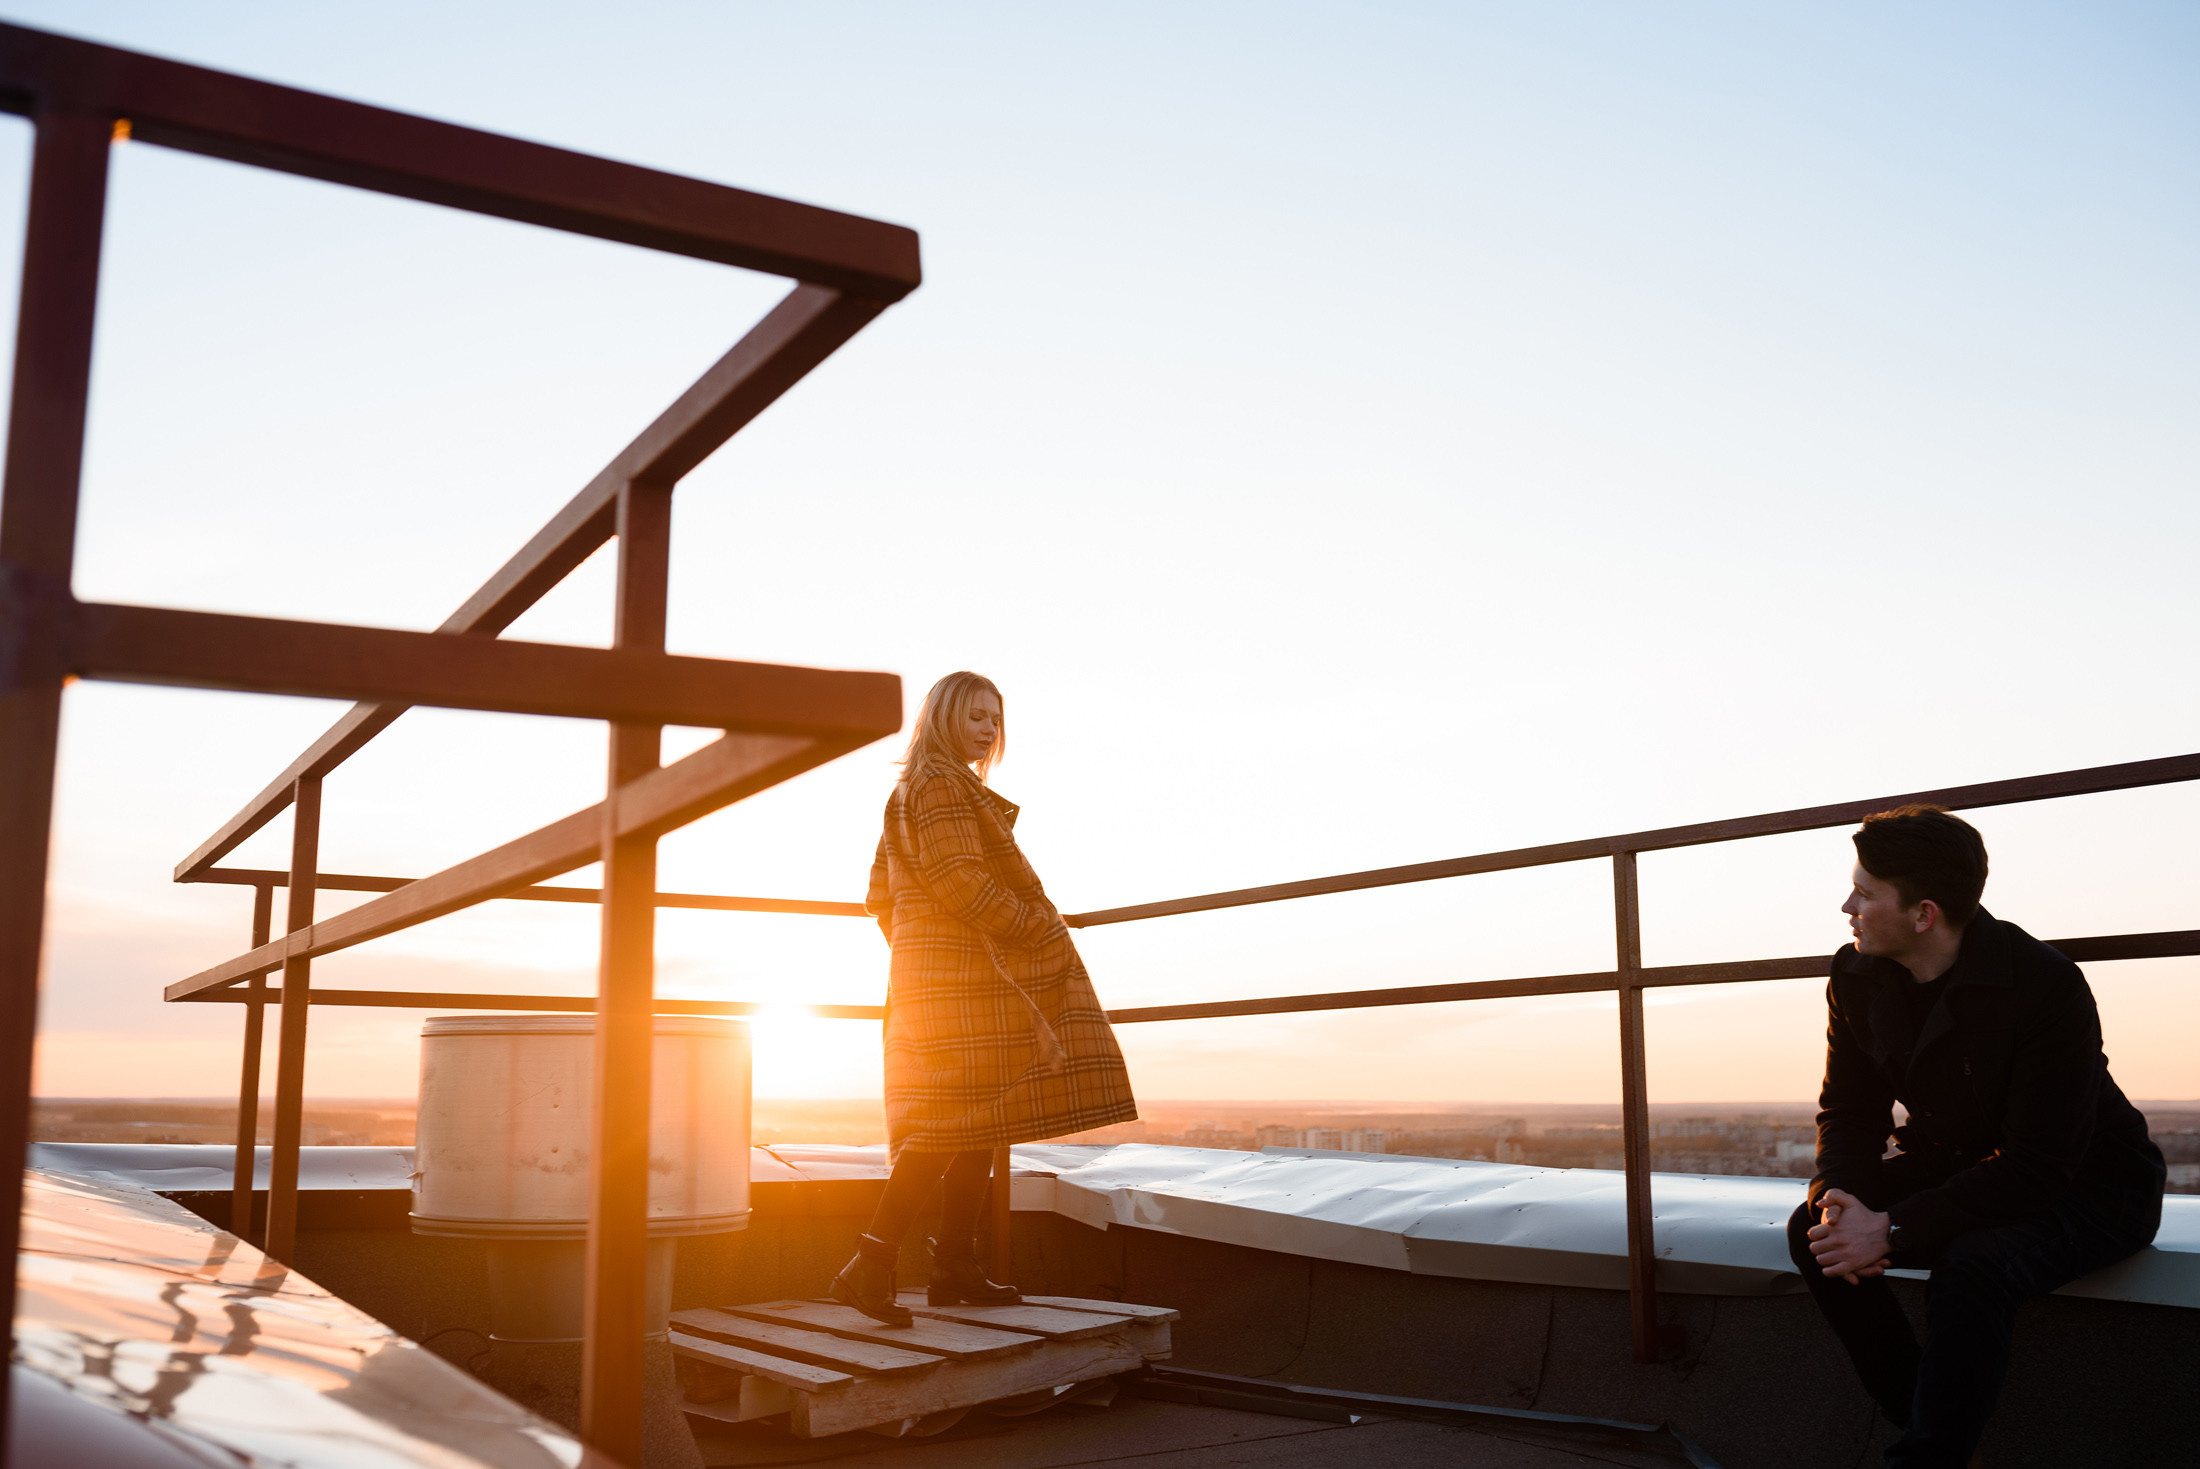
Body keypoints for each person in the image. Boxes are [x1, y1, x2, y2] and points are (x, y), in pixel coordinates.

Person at [1790, 805, 2165, 1467]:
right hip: (1962, 1164)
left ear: (1923, 913)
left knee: (1973, 1263)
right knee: (1813, 1229)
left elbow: (2040, 1165)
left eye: (1865, 892)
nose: (1846, 905)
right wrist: (1842, 1196)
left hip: (2092, 1185)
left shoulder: (2043, 984)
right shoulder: (1857, 974)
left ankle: (1930, 1454)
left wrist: (1895, 1227)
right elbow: (1849, 1109)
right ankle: (1932, 1435)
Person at [830, 671, 1139, 1325]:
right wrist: (1033, 926)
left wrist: (918, 950)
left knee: (978, 1119)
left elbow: (879, 894)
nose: (989, 728)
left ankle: (955, 1269)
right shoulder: (941, 784)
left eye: (996, 718)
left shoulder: (918, 787)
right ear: (943, 717)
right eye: (975, 715)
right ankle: (871, 1262)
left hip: (944, 975)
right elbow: (960, 879)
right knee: (947, 1121)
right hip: (964, 980)